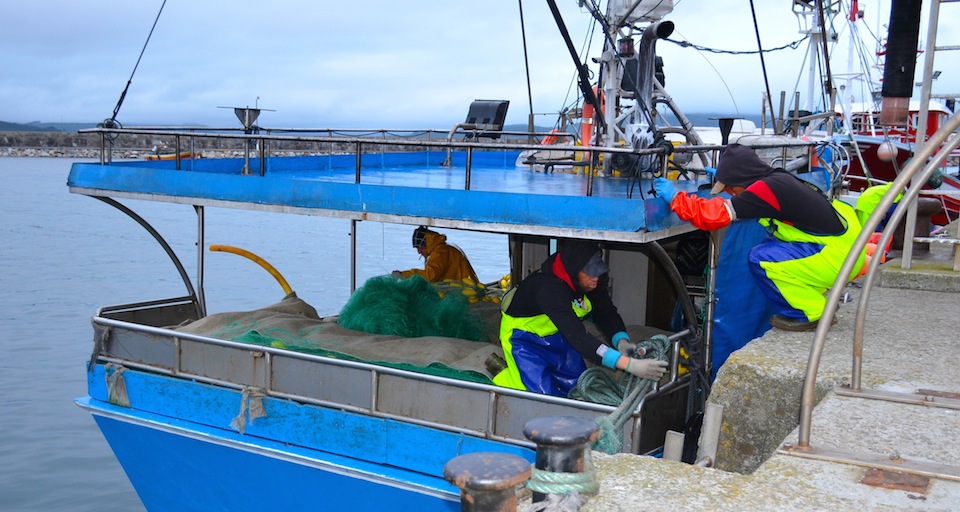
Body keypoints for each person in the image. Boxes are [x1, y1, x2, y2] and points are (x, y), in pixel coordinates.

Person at [654, 143, 865, 332]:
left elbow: (712, 216)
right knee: (772, 245)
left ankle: (810, 312)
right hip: (844, 253)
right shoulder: (777, 179)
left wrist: (675, 199)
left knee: (761, 259)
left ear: (742, 179)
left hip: (836, 259)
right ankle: (814, 296)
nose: (729, 192)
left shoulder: (765, 190)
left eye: (729, 187)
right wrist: (724, 178)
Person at [492, 240, 668, 397]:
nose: (595, 278)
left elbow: (606, 312)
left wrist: (622, 341)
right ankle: (503, 379)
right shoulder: (547, 288)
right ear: (574, 270)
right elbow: (578, 337)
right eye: (590, 273)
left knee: (577, 385)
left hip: (557, 335)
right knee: (542, 396)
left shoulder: (590, 281)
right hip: (524, 340)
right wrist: (628, 365)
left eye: (598, 272)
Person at [392, 226, 479, 283]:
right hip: (465, 286)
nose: (419, 252)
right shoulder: (444, 248)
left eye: (420, 248)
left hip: (465, 290)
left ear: (427, 244)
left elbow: (430, 275)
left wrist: (404, 275)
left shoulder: (440, 252)